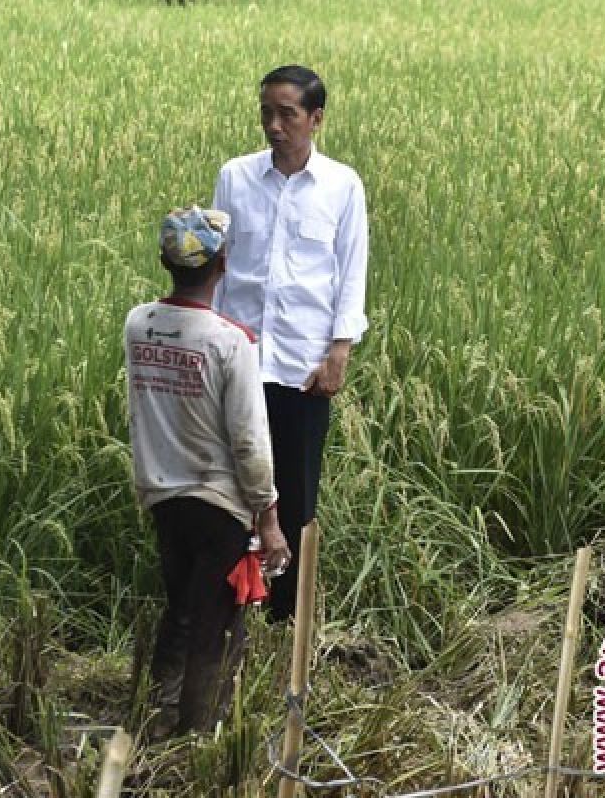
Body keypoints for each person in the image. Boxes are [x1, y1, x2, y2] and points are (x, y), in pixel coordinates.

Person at [125, 206, 291, 738]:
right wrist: (268, 518)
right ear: (222, 265)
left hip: (161, 495)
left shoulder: (139, 323)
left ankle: (156, 714)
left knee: (180, 606)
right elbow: (249, 441)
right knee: (215, 623)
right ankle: (198, 732)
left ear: (163, 261)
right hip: (219, 503)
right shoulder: (229, 342)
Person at [212, 64, 369, 621]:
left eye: (287, 114)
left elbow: (351, 272)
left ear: (316, 118)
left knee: (296, 496)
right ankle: (232, 607)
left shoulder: (341, 186)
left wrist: (339, 351)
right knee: (232, 489)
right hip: (239, 361)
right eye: (266, 113)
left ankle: (285, 622)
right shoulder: (235, 176)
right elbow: (220, 266)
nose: (274, 125)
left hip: (302, 366)